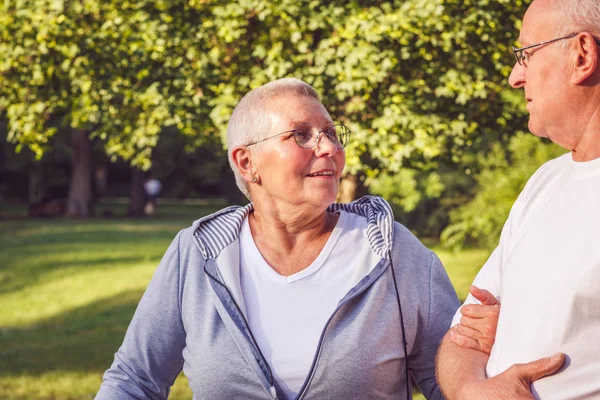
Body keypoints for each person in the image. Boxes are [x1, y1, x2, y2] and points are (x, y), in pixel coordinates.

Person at [96, 78, 460, 399]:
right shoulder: (198, 253)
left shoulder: (391, 250)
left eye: (331, 133)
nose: (329, 148)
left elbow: (452, 378)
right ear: (246, 163)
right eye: (301, 135)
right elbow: (134, 381)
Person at [436, 0, 600, 398]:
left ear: (582, 55)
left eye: (525, 54)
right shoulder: (545, 181)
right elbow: (462, 336)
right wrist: (471, 390)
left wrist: (508, 327)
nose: (514, 77)